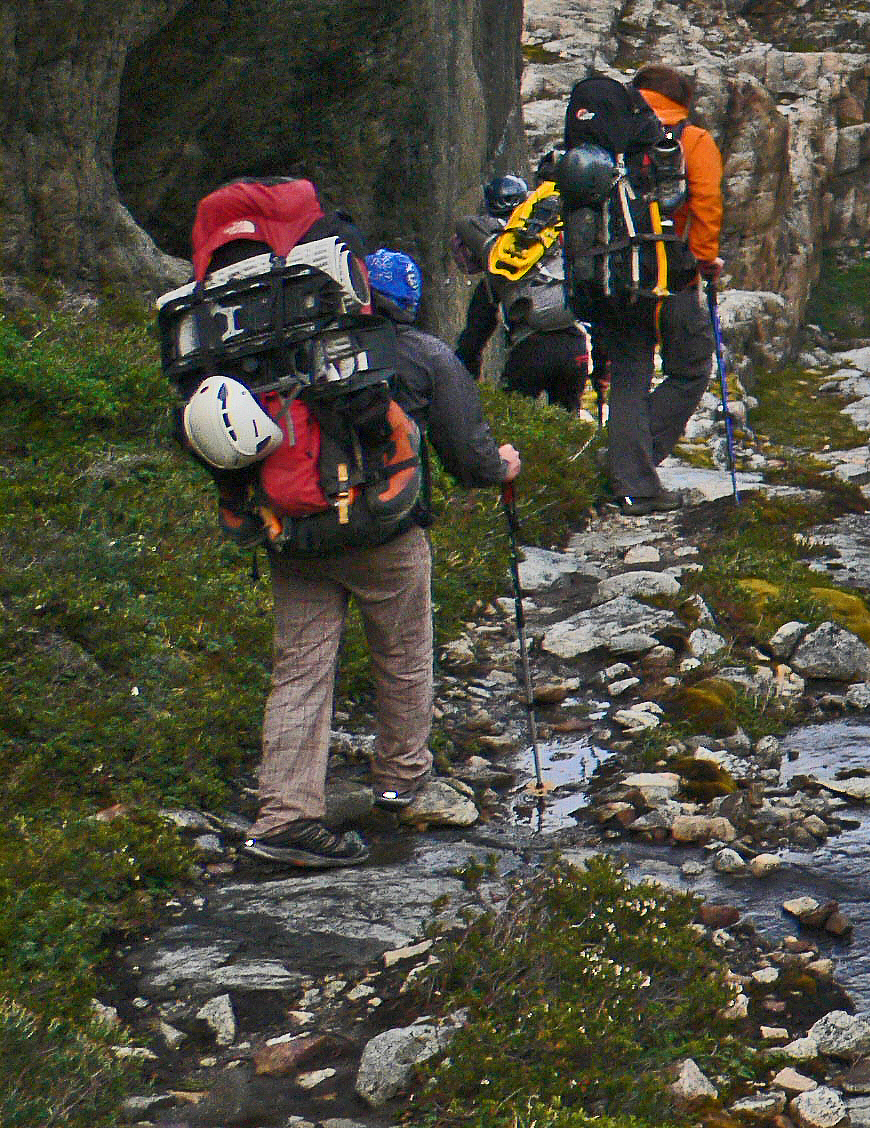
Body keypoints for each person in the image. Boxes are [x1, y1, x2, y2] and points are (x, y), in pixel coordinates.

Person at [185, 219, 520, 870]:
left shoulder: (277, 352)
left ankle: (285, 815)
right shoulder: (422, 355)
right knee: (402, 653)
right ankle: (400, 781)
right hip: (384, 536)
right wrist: (504, 465)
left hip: (293, 533)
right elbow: (470, 457)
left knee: (301, 670)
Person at [594, 65, 726, 513]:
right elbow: (705, 204)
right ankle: (632, 469)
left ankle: (627, 469)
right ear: (683, 100)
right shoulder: (693, 141)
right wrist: (705, 259)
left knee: (630, 370)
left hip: (613, 274)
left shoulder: (611, 134)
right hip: (672, 275)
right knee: (689, 368)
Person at [453, 170, 591, 415]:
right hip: (576, 346)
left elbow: (474, 337)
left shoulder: (501, 268)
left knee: (510, 422)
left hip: (531, 350)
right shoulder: (555, 242)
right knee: (567, 426)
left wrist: (464, 382)